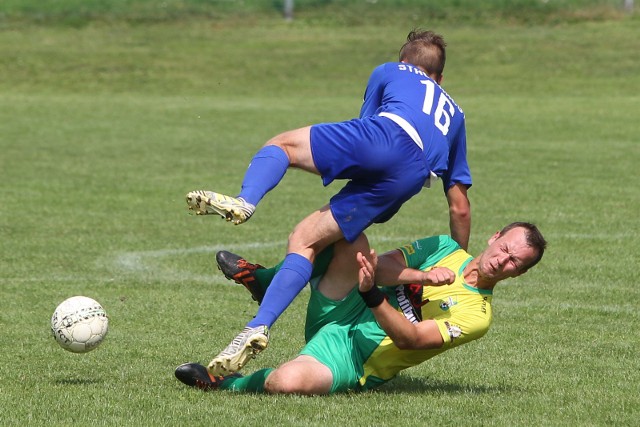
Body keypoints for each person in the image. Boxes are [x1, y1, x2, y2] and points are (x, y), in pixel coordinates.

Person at [186, 29, 472, 376]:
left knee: (282, 146)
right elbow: (459, 206)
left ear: (404, 61)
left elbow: (367, 127)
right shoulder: (456, 116)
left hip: (386, 137)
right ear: (440, 78)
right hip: (410, 178)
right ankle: (257, 322)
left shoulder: (389, 70)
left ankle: (246, 201)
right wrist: (457, 263)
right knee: (309, 238)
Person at [175, 222, 546, 395]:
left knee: (284, 383)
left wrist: (374, 296)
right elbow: (377, 264)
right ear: (494, 236)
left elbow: (411, 339)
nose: (503, 260)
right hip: (345, 302)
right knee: (347, 230)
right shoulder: (443, 246)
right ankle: (267, 281)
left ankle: (223, 383)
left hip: (352, 357)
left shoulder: (478, 316)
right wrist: (421, 275)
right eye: (505, 248)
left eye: (515, 262)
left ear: (519, 274)